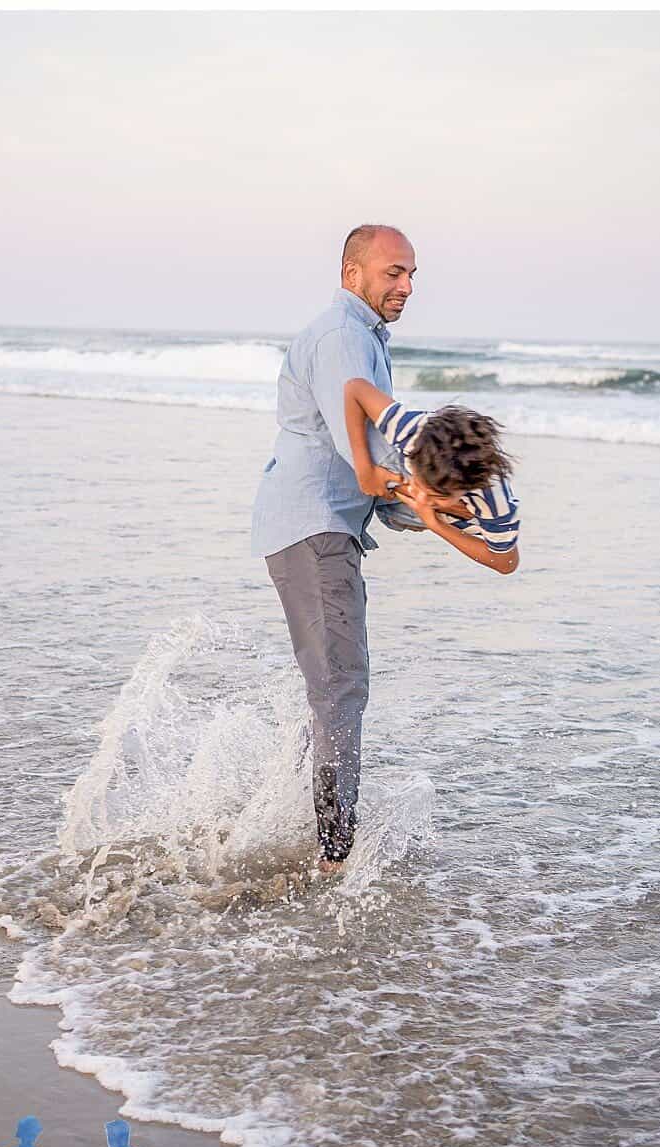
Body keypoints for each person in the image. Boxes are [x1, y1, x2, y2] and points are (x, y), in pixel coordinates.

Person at [250, 224, 416, 872]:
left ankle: (300, 824)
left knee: (330, 686)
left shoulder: (361, 337)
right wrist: (442, 496)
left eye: (411, 276)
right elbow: (364, 455)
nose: (405, 286)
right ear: (353, 273)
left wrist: (434, 511)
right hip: (315, 527)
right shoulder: (345, 337)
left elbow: (372, 474)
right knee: (341, 685)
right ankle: (334, 855)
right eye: (392, 272)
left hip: (315, 525)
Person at [342, 376, 522, 575]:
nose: (421, 498)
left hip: (440, 518)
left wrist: (435, 524)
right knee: (368, 444)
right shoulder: (411, 432)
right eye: (421, 486)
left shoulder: (494, 503)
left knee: (418, 507)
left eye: (437, 496)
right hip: (403, 467)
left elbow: (507, 563)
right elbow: (355, 388)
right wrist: (364, 470)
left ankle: (404, 499)